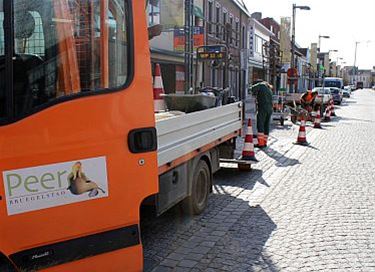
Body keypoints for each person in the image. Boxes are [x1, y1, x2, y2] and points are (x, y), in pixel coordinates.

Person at [249, 80, 273, 148]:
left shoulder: (261, 85)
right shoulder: (269, 89)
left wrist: (251, 89)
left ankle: (261, 143)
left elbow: (252, 89)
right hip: (269, 109)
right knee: (266, 125)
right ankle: (264, 142)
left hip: (263, 108)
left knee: (260, 124)